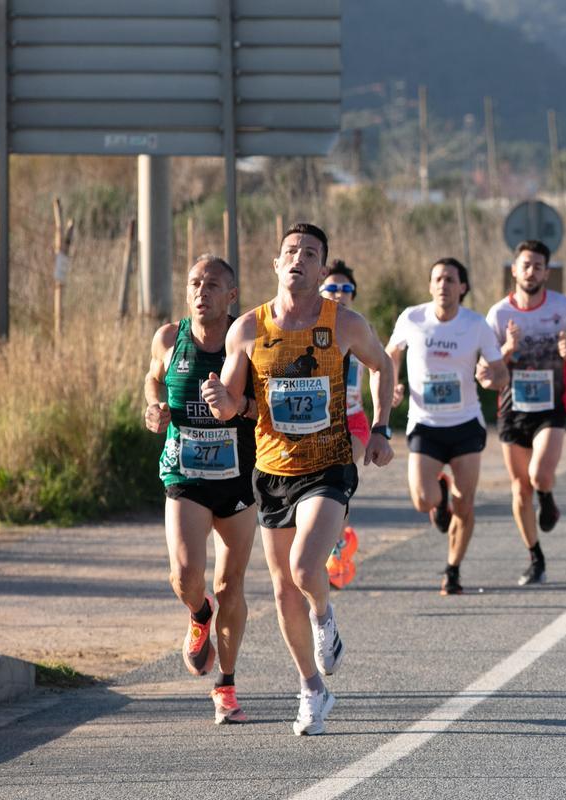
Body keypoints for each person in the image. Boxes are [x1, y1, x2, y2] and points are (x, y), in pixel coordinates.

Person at [203, 223, 395, 737]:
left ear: (322, 267)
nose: (299, 259)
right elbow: (233, 403)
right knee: (284, 589)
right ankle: (312, 688)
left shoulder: (346, 323)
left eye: (311, 253)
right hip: (272, 471)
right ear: (275, 264)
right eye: (291, 251)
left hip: (330, 463)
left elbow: (384, 366)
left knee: (306, 566)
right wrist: (221, 403)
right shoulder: (246, 329)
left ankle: (324, 616)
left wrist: (379, 428)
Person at [144, 255, 257, 725]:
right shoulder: (170, 337)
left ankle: (226, 685)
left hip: (236, 479)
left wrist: (235, 404)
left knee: (231, 585)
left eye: (213, 284)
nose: (201, 291)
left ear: (231, 295)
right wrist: (153, 407)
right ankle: (198, 613)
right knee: (185, 578)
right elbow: (153, 378)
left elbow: (268, 408)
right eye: (194, 282)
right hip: (184, 475)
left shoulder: (248, 342)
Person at [386, 257, 508, 596]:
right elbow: (390, 354)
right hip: (425, 423)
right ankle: (439, 498)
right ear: (430, 286)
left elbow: (501, 373)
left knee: (465, 504)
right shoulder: (412, 318)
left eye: (451, 279)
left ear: (462, 287)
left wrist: (490, 378)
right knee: (423, 500)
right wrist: (392, 383)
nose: (443, 285)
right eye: (438, 278)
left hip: (465, 423)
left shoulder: (476, 325)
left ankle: (453, 569)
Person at [486, 240, 566, 586]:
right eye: (525, 265)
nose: (531, 271)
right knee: (519, 489)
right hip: (511, 407)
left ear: (547, 272)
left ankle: (547, 497)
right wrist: (507, 349)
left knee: (539, 475)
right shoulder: (499, 314)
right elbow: (485, 367)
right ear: (514, 269)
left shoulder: (563, 307)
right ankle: (535, 557)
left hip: (550, 405)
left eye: (538, 266)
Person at [319, 261, 369, 589]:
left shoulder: (359, 329)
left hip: (353, 422)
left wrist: (387, 401)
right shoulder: (304, 330)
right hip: (318, 424)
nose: (339, 294)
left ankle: (336, 550)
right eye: (332, 288)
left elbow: (380, 367)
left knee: (338, 478)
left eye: (345, 289)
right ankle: (339, 539)